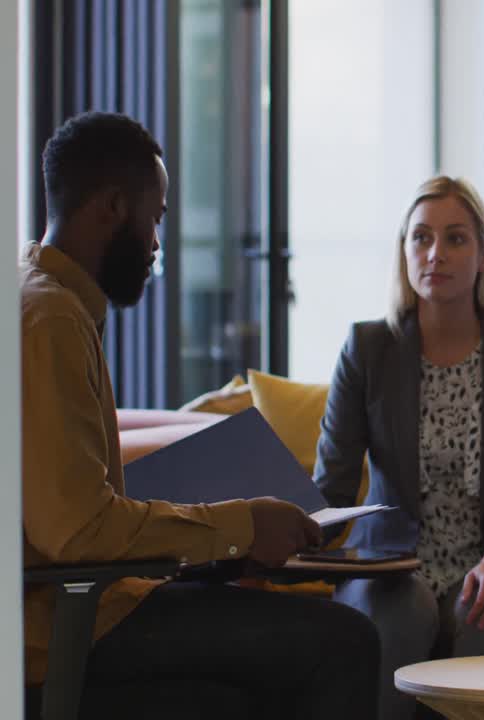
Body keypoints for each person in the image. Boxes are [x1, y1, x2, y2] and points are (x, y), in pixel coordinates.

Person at [21, 111, 380, 718]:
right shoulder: (50, 320)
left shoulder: (42, 300)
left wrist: (220, 544)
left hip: (76, 611)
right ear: (113, 207)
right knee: (344, 641)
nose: (158, 243)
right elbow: (77, 532)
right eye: (156, 217)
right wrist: (241, 523)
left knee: (232, 695)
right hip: (57, 628)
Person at [315, 175, 484, 720]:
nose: (436, 254)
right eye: (421, 238)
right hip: (392, 566)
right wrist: (274, 526)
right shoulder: (368, 347)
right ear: (404, 252)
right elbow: (331, 488)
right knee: (400, 611)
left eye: (455, 239)